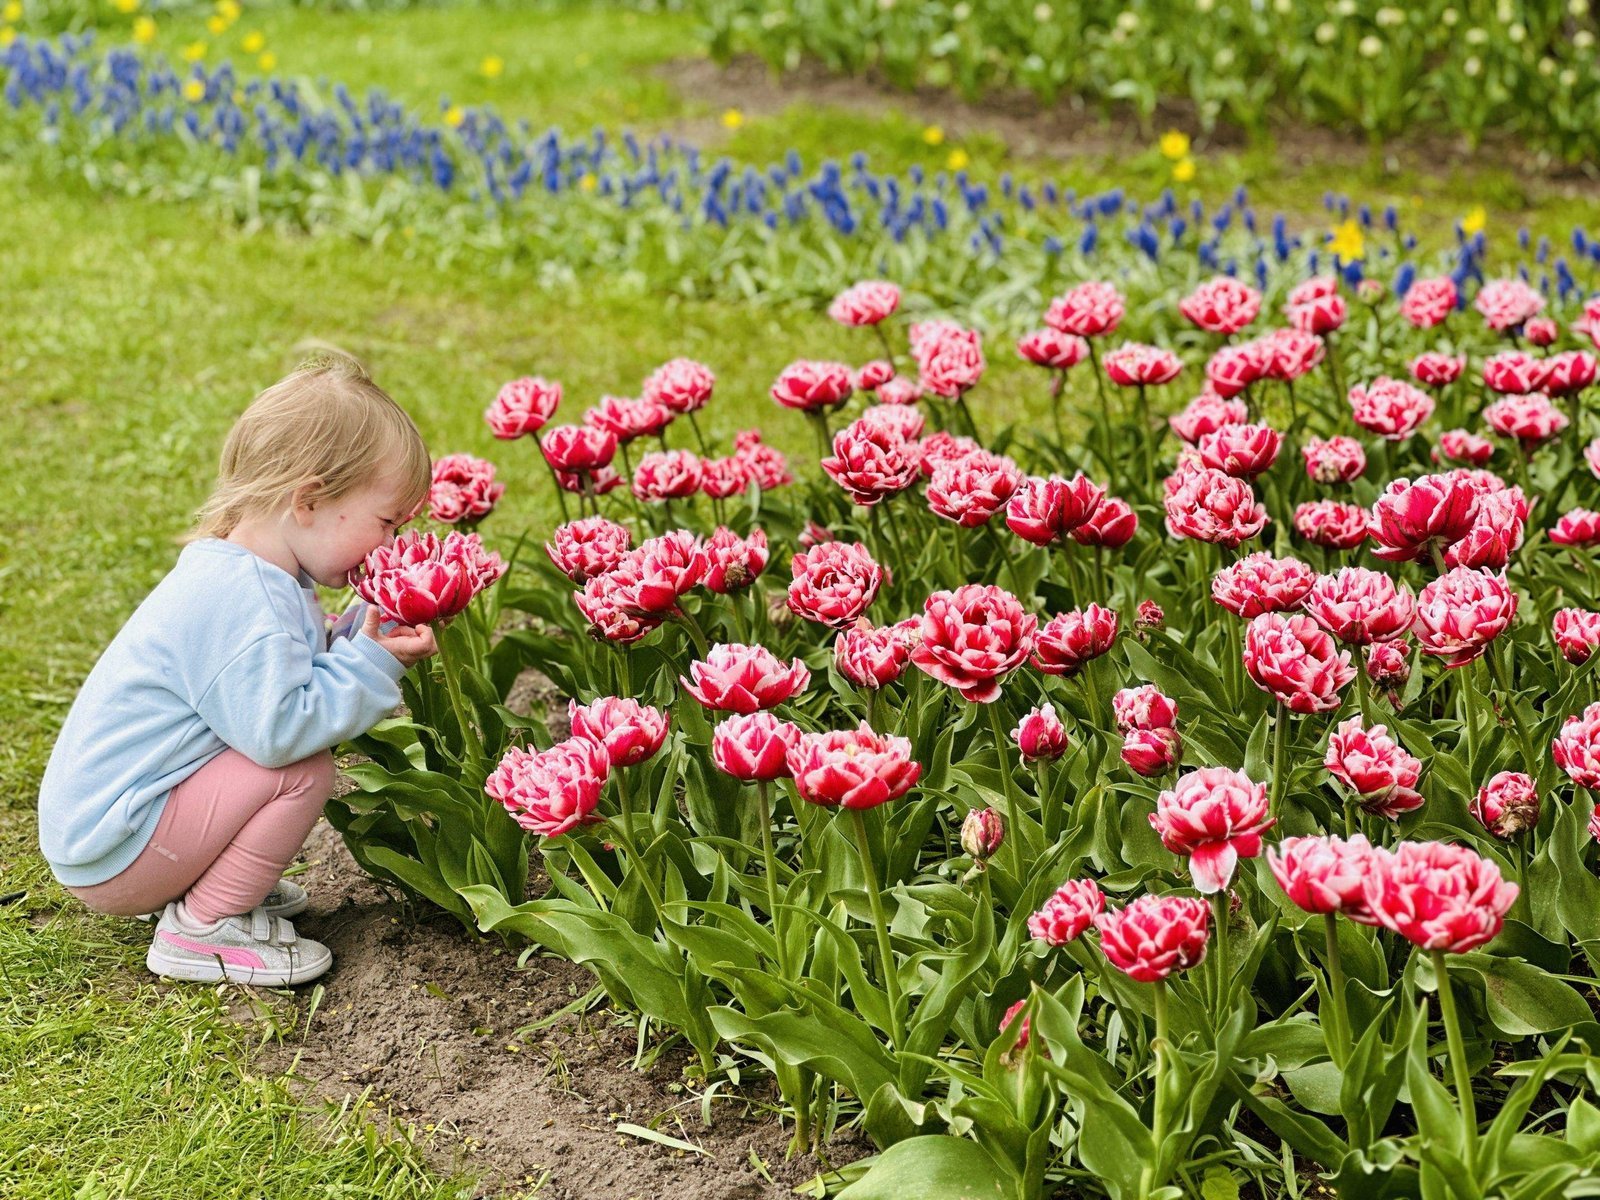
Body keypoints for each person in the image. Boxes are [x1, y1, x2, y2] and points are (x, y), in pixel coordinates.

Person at [37, 354, 438, 986]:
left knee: (281, 763)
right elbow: (279, 729)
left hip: (113, 831)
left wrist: (356, 635)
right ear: (308, 500)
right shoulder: (247, 602)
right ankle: (203, 928)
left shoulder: (253, 575)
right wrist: (372, 663)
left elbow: (280, 678)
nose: (388, 545)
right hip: (116, 850)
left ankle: (219, 889)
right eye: (385, 522)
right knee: (299, 769)